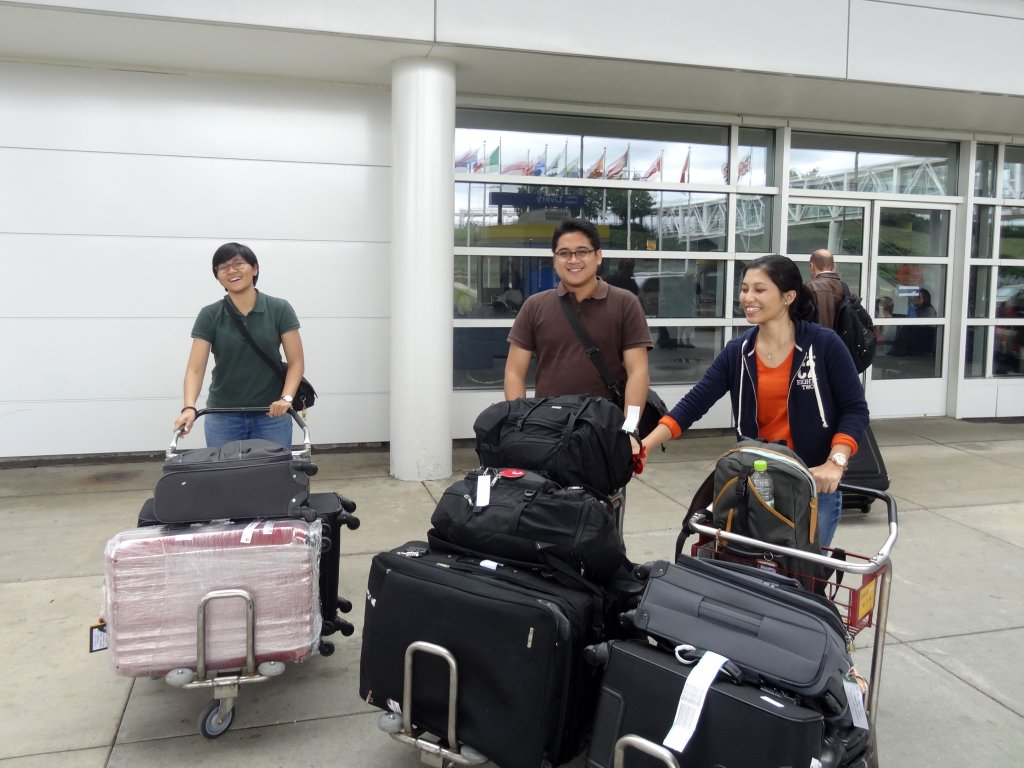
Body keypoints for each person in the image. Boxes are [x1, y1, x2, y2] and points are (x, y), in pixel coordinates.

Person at [641, 254, 869, 548]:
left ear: (788, 297)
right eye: (744, 289)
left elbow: (855, 409)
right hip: (758, 483)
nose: (748, 297)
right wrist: (644, 445)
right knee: (753, 569)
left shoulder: (824, 344)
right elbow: (693, 404)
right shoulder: (739, 351)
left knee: (805, 572)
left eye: (759, 289)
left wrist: (835, 462)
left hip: (814, 484)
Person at [504, 218, 652, 444]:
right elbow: (514, 372)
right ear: (554, 259)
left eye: (582, 251)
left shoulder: (625, 303)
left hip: (604, 433)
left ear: (598, 256)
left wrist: (630, 429)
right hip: (546, 431)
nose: (573, 260)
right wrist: (520, 423)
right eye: (564, 253)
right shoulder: (534, 306)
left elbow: (638, 372)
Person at [173, 243, 306, 448]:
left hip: (272, 415)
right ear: (217, 277)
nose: (231, 271)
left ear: (255, 269)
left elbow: (296, 362)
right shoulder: (210, 315)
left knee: (273, 469)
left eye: (238, 264)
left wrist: (286, 399)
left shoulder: (279, 309)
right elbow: (195, 369)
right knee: (225, 469)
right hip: (222, 416)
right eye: (223, 267)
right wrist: (189, 407)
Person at [806, 248, 844, 328]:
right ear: (834, 266)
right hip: (840, 336)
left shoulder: (810, 287)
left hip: (817, 335)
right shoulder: (845, 288)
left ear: (812, 266)